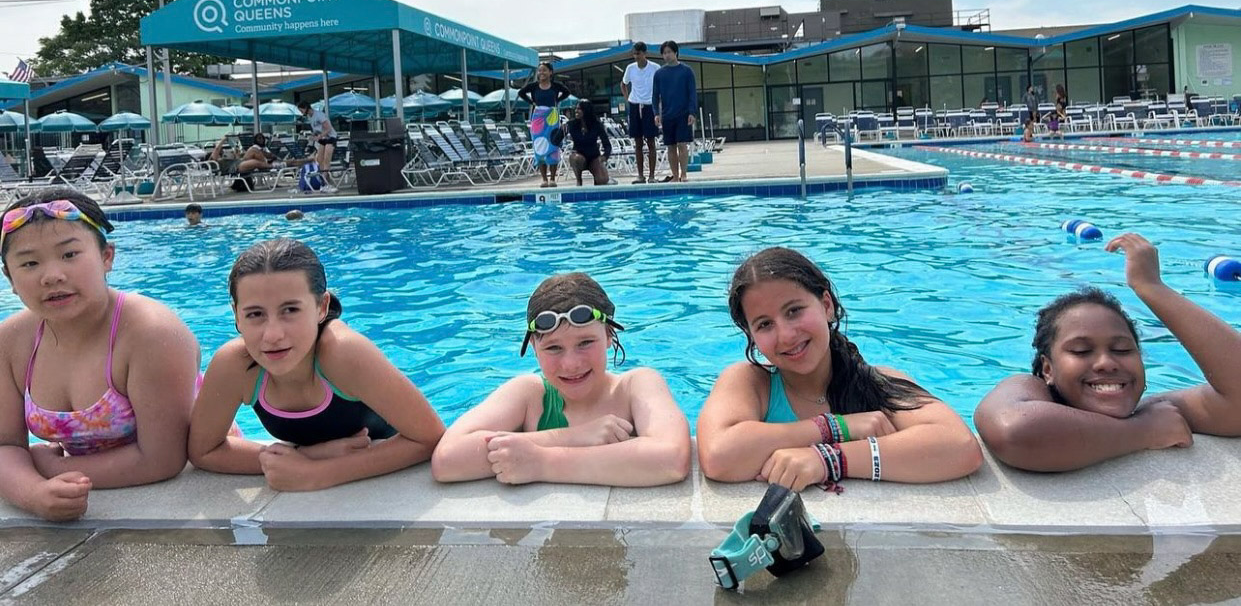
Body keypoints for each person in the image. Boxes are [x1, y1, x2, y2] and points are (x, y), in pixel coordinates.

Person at [696, 248, 982, 490]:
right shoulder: (752, 382)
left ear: (826, 305)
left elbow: (960, 446)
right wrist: (836, 426)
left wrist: (828, 460)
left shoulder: (877, 382)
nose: (785, 335)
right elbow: (719, 455)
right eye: (764, 324)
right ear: (752, 336)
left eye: (794, 310)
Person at [0, 188, 200, 521]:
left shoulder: (151, 333)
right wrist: (33, 493)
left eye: (69, 255)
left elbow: (164, 459)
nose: (52, 276)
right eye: (30, 263)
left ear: (107, 256)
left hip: (188, 490)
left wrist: (56, 467)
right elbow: (6, 445)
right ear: (10, 278)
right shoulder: (11, 342)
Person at [189, 238, 445, 490]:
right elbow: (204, 451)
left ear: (321, 307)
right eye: (255, 314)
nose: (273, 335)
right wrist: (307, 456)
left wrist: (320, 473)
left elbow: (429, 436)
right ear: (236, 314)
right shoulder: (235, 365)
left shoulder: (344, 354)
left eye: (290, 310)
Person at [974, 233, 1241, 473]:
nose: (1106, 363)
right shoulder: (1029, 390)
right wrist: (1142, 433)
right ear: (1047, 369)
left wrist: (1152, 288)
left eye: (1122, 349)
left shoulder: (1154, 410)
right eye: (1081, 351)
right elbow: (1014, 431)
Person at [430, 273, 690, 487]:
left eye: (585, 342)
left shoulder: (636, 386)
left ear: (609, 335)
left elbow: (672, 459)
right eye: (553, 348)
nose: (571, 364)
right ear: (534, 346)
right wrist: (574, 437)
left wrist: (543, 462)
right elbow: (446, 459)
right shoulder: (530, 395)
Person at [518, 63, 572, 188]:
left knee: (554, 145)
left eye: (544, 70)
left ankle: (552, 178)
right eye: (539, 71)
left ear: (550, 72)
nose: (541, 73)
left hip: (552, 118)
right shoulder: (533, 86)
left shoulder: (555, 86)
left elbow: (567, 92)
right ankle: (544, 178)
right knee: (539, 147)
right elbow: (521, 93)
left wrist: (558, 100)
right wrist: (531, 102)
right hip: (538, 119)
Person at [652, 41, 697, 183]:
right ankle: (675, 175)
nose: (667, 55)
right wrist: (656, 113)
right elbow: (655, 95)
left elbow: (692, 93)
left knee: (682, 144)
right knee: (670, 146)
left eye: (669, 52)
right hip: (667, 114)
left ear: (676, 53)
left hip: (683, 114)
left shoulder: (686, 71)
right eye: (664, 53)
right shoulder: (659, 74)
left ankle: (684, 174)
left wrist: (692, 112)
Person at [621, 42, 660, 183]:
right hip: (635, 105)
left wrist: (658, 105)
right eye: (634, 54)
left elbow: (659, 87)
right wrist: (628, 99)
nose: (636, 56)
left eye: (638, 53)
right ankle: (640, 175)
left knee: (651, 142)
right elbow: (623, 84)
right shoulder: (630, 68)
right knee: (637, 142)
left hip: (650, 106)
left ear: (645, 53)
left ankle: (652, 175)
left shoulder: (655, 68)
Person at [567, 100, 612, 186]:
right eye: (576, 108)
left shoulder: (596, 125)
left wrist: (604, 156)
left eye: (579, 109)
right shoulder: (571, 125)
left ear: (586, 110)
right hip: (579, 157)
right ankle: (579, 181)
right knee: (575, 158)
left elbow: (607, 145)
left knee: (602, 180)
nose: (576, 111)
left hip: (593, 157)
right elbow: (556, 139)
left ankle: (598, 180)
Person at [296, 102, 338, 194]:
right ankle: (325, 180)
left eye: (301, 110)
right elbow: (317, 130)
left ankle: (325, 182)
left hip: (330, 138)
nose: (301, 112)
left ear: (306, 107)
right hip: (322, 139)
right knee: (319, 160)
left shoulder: (319, 115)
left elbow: (328, 128)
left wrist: (319, 136)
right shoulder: (310, 118)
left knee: (326, 160)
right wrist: (313, 136)